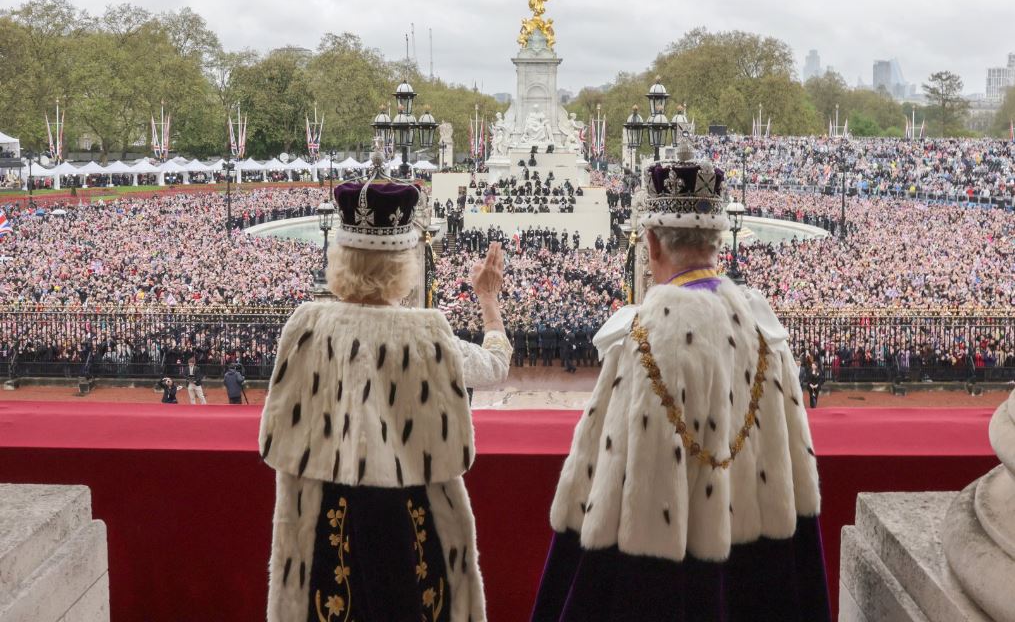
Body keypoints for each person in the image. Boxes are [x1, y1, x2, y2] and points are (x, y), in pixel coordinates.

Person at [530, 146, 828, 621]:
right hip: (758, 574)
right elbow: (797, 481)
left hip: (666, 580)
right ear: (716, 239)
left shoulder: (645, 340)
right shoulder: (765, 331)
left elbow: (615, 488)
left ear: (650, 244)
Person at [260, 154, 511, 622]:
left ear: (340, 258)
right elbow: (496, 365)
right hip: (411, 517)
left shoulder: (304, 326)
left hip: (322, 519)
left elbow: (274, 436)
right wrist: (488, 300)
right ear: (404, 264)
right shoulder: (427, 334)